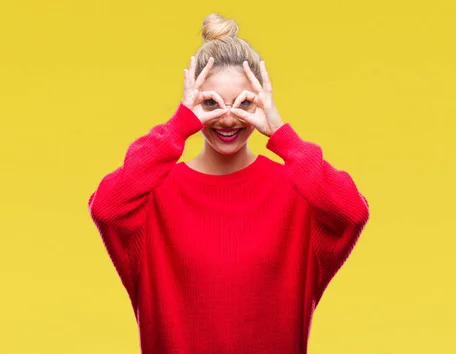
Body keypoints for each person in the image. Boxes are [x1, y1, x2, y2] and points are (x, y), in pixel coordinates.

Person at [88, 13, 370, 354]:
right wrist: (178, 126)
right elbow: (105, 207)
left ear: (261, 102)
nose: (226, 118)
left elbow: (353, 212)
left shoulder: (296, 191)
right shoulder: (156, 195)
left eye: (244, 103)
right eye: (210, 103)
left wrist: (283, 134)